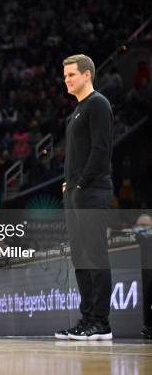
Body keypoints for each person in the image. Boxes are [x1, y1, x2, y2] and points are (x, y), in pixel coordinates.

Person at [55, 54, 114, 341]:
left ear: (87, 74)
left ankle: (101, 323)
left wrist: (80, 185)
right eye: (65, 76)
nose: (66, 80)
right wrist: (69, 187)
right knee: (80, 257)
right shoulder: (75, 111)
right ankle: (87, 318)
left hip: (92, 191)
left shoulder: (98, 104)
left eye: (71, 75)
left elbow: (101, 150)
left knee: (94, 254)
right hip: (76, 193)